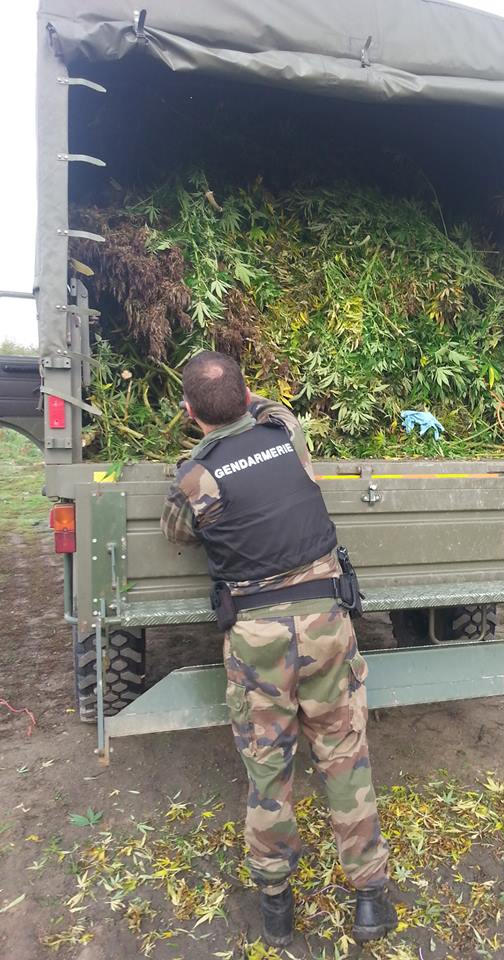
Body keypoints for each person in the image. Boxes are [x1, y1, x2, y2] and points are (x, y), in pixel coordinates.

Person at [160, 351, 395, 947]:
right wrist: (245, 405)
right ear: (246, 398)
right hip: (326, 623)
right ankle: (368, 898)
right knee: (343, 754)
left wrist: (199, 454)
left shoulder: (196, 476)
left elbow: (176, 530)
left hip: (258, 638)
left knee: (268, 769)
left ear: (189, 412)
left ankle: (275, 904)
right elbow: (269, 408)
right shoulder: (286, 432)